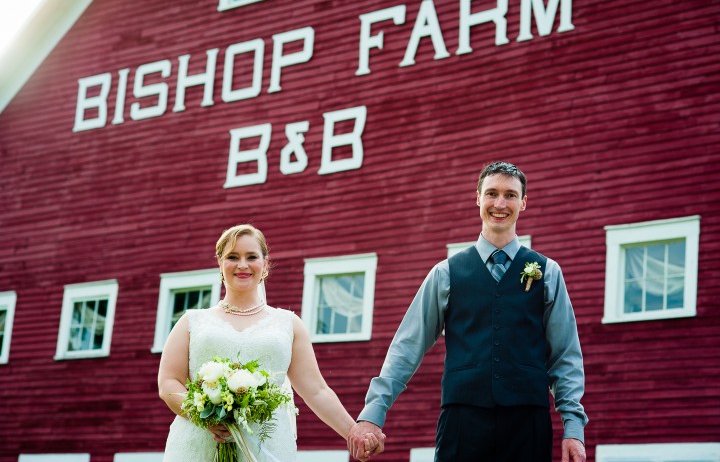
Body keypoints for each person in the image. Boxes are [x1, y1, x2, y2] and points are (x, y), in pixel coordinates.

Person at [347, 162, 588, 461]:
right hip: (462, 423)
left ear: (523, 202)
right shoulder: (445, 273)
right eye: (492, 193)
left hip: (528, 423)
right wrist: (374, 412)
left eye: (510, 195)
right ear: (478, 198)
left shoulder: (548, 272)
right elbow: (406, 347)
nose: (500, 204)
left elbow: (565, 356)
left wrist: (573, 427)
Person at [158, 224, 382, 462]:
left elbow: (316, 391)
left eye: (251, 257)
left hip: (266, 446)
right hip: (198, 444)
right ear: (220, 264)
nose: (242, 264)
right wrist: (204, 416)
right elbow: (168, 382)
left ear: (265, 265)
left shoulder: (288, 324)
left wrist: (354, 432)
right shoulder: (192, 321)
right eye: (232, 257)